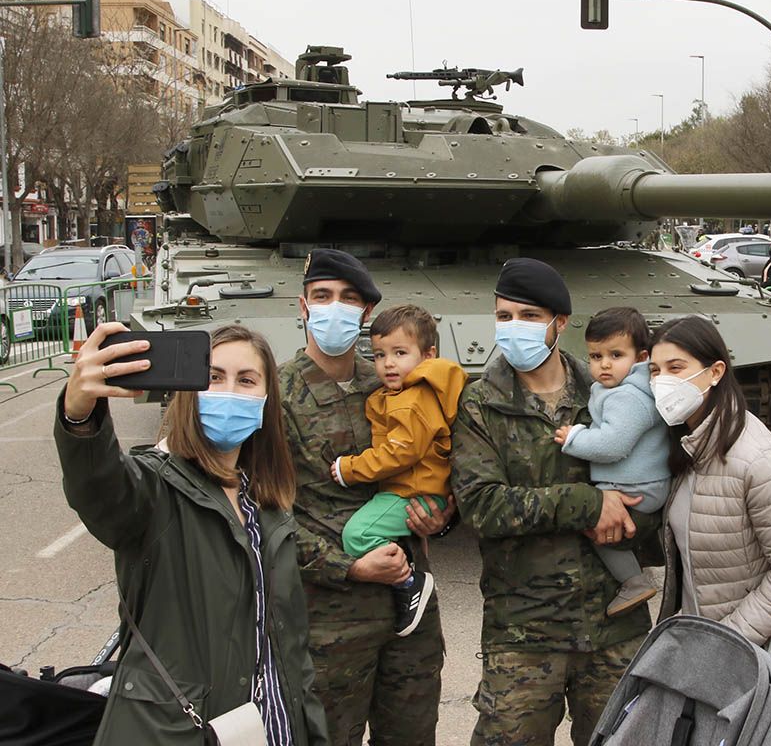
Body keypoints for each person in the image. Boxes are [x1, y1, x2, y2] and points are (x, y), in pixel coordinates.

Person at [55, 323, 328, 745]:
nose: (228, 391)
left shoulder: (269, 505)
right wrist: (80, 414)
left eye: (247, 380)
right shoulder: (155, 490)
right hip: (177, 732)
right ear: (189, 390)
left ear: (266, 399)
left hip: (273, 729)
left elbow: (291, 648)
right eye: (213, 377)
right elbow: (100, 488)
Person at [451, 258, 654, 746]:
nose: (513, 327)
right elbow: (482, 505)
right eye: (504, 316)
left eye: (528, 315)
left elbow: (658, 487)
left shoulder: (611, 390)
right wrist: (588, 505)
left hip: (614, 624)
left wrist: (633, 522)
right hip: (523, 628)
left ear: (560, 323)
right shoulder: (480, 403)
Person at [280, 249, 453, 746]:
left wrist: (440, 515)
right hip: (328, 622)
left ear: (366, 314)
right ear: (304, 306)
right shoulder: (277, 393)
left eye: (349, 299)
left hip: (411, 610)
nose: (334, 307)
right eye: (322, 296)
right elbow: (264, 514)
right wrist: (347, 567)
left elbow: (445, 460)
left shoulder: (395, 377)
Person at [651, 316, 771, 699]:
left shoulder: (758, 459)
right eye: (654, 370)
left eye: (676, 367)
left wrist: (729, 639)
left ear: (716, 371)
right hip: (711, 643)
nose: (661, 381)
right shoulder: (688, 443)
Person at [332, 304, 468, 636]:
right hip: (416, 488)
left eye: (400, 353)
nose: (388, 363)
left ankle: (409, 582)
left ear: (428, 354)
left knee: (358, 535)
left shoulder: (413, 398)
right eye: (378, 355)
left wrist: (350, 469)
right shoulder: (408, 392)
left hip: (411, 490)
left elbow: (401, 451)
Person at [554, 306, 670, 616]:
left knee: (596, 525)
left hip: (636, 486)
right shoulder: (624, 389)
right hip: (640, 481)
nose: (604, 364)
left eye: (616, 355)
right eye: (595, 356)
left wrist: (574, 438)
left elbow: (612, 445)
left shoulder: (627, 396)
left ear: (641, 357)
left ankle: (634, 581)